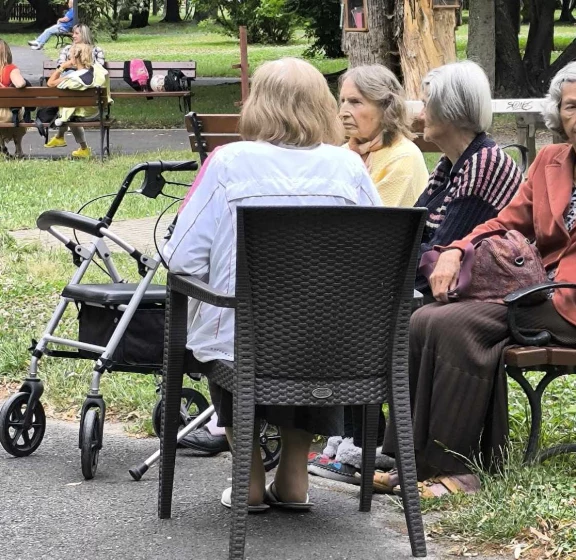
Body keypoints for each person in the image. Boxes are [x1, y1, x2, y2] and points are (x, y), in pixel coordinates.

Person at [163, 57, 381, 511]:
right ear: (321, 106)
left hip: (243, 341)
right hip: (332, 347)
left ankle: (248, 473)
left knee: (227, 331)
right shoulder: (350, 168)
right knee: (312, 330)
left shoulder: (227, 163)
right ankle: (295, 472)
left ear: (257, 105)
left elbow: (181, 257)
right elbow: (375, 258)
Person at [309, 61, 524, 487]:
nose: (419, 114)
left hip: (478, 292)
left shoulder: (484, 165)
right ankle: (356, 436)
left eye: (427, 104)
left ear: (451, 110)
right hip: (442, 285)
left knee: (360, 309)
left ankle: (364, 440)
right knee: (347, 298)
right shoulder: (451, 165)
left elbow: (441, 251)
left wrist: (378, 259)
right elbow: (414, 237)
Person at [376, 61, 576, 498]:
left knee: (456, 323)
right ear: (557, 115)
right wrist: (456, 249)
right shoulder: (549, 161)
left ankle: (460, 470)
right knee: (425, 317)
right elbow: (506, 222)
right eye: (571, 107)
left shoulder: (486, 162)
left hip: (568, 301)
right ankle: (411, 461)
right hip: (538, 291)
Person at [338, 64, 429, 207]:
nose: (343, 112)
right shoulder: (344, 152)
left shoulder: (403, 157)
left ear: (386, 107)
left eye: (355, 102)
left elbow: (376, 222)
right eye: (342, 101)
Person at [45, 43, 108, 158]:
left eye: (70, 56)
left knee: (69, 110)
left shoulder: (72, 78)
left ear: (74, 57)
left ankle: (60, 137)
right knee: (72, 110)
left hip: (82, 113)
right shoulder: (97, 73)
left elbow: (50, 83)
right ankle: (82, 148)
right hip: (95, 111)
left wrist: (62, 66)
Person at [0, 39, 27, 158]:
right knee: (19, 112)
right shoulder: (11, 69)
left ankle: (2, 147)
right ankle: (18, 150)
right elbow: (20, 84)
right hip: (10, 114)